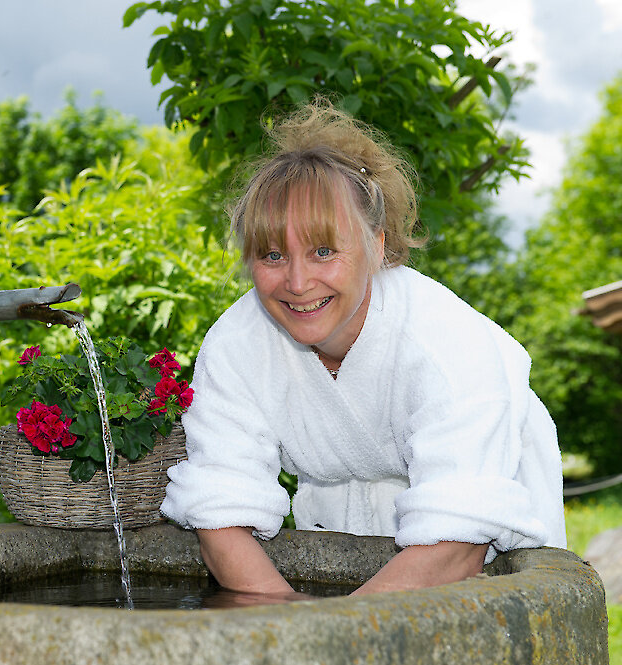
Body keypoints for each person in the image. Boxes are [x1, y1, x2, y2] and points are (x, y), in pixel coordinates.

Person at [159, 99, 567, 598]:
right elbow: (218, 506)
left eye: (324, 251)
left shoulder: (446, 342)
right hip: (342, 535)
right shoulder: (235, 345)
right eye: (272, 254)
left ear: (376, 244)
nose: (297, 281)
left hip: (482, 543)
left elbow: (459, 536)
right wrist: (284, 617)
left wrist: (336, 633)